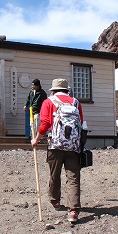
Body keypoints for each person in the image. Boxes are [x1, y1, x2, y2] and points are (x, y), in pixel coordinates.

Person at [31, 78, 84, 224]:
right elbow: (81, 123)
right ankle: (73, 211)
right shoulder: (75, 102)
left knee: (55, 173)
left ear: (53, 90)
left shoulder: (48, 102)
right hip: (73, 145)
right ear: (67, 90)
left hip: (55, 145)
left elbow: (45, 123)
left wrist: (36, 138)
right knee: (73, 177)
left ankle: (55, 201)